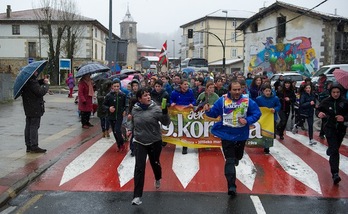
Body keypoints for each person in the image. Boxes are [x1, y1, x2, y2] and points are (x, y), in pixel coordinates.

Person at [203, 80, 261, 196]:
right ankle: (231, 186)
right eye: (234, 90)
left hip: (241, 135)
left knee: (237, 156)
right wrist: (208, 110)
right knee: (229, 160)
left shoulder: (247, 100)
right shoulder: (222, 100)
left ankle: (236, 159)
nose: (237, 92)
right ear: (229, 90)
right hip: (227, 135)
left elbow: (257, 113)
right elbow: (214, 114)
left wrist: (247, 120)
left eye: (239, 89)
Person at [131, 88, 171, 205]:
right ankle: (137, 196)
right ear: (139, 99)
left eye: (148, 95)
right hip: (139, 142)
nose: (148, 97)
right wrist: (129, 128)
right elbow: (132, 122)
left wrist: (164, 112)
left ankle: (158, 177)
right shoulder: (135, 109)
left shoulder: (156, 109)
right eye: (145, 96)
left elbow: (166, 123)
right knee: (139, 167)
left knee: (155, 163)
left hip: (154, 141)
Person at [316, 84, 348, 184]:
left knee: (334, 148)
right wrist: (319, 114)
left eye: (337, 92)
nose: (335, 94)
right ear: (330, 92)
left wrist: (344, 118)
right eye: (333, 92)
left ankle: (330, 149)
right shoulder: (326, 101)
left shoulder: (344, 102)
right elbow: (318, 109)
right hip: (329, 128)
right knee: (334, 151)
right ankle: (335, 173)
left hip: (341, 129)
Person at [21, 71, 49, 153]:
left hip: (28, 107)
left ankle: (29, 145)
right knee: (34, 126)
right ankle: (34, 146)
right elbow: (40, 92)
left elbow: (34, 86)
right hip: (35, 107)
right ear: (33, 73)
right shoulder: (32, 82)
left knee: (29, 125)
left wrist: (41, 81)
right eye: (35, 72)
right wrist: (46, 85)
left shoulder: (26, 81)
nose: (37, 72)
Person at [170, 79, 196, 154]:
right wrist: (172, 103)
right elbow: (171, 100)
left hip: (186, 113)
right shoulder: (174, 92)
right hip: (177, 113)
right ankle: (167, 140)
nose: (186, 86)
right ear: (180, 85)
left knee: (185, 129)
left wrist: (192, 104)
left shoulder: (190, 92)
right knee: (176, 128)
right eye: (185, 84)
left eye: (187, 84)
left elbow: (193, 100)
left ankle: (185, 146)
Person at [255, 84, 281, 154]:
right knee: (263, 131)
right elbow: (256, 107)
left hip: (272, 118)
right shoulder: (259, 99)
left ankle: (267, 147)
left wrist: (275, 109)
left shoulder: (275, 98)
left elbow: (278, 105)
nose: (268, 93)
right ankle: (262, 143)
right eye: (266, 91)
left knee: (270, 132)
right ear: (263, 91)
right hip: (262, 118)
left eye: (269, 91)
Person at [103, 80, 127, 151]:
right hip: (111, 116)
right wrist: (109, 108)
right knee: (114, 131)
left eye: (118, 86)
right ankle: (119, 145)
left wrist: (124, 110)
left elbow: (125, 105)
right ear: (112, 87)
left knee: (117, 130)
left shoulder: (122, 95)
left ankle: (122, 143)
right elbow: (104, 105)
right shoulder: (109, 95)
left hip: (119, 115)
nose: (116, 88)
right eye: (115, 86)